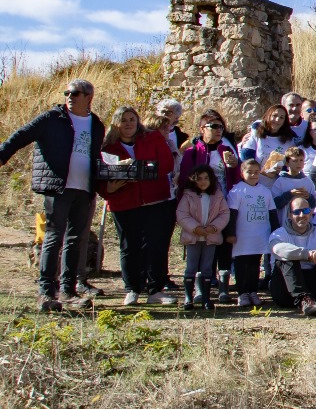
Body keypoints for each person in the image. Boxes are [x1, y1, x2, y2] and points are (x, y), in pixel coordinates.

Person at [99, 108, 176, 306]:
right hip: (124, 202)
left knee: (156, 246)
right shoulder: (108, 146)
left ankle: (155, 290)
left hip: (155, 201)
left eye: (132, 119)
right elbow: (99, 174)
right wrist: (108, 188)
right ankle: (132, 289)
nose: (128, 123)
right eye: (123, 120)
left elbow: (167, 164)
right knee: (129, 246)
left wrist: (139, 169)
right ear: (116, 123)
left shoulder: (152, 138)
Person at [175, 166, 229, 310]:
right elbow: (182, 215)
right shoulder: (188, 196)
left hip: (210, 238)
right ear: (193, 180)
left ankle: (206, 298)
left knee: (207, 268)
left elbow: (224, 214)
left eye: (206, 178)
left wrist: (213, 228)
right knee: (191, 267)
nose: (203, 182)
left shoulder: (217, 195)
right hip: (193, 237)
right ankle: (188, 297)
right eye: (199, 179)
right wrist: (195, 228)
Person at [225, 156, 275, 308]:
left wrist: (275, 233)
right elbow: (232, 215)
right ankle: (242, 293)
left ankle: (253, 291)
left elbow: (272, 213)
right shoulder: (237, 191)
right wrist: (231, 233)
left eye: (256, 172)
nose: (253, 175)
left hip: (260, 236)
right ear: (242, 173)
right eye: (249, 172)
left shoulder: (265, 191)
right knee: (242, 265)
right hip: (242, 237)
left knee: (255, 264)